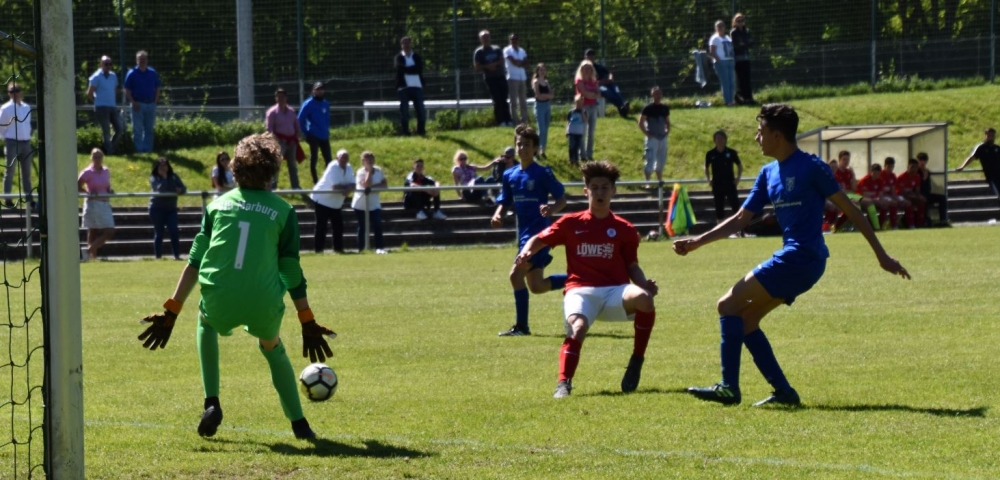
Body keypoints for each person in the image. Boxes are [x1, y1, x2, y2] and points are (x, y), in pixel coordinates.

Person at [672, 104, 909, 407]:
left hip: (802, 257)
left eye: (761, 132)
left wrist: (882, 256)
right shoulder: (768, 173)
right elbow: (741, 219)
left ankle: (728, 387)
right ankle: (784, 392)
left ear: (777, 136)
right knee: (746, 320)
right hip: (799, 260)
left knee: (726, 305)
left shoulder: (812, 167)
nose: (756, 137)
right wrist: (697, 242)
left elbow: (852, 210)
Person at [136, 133, 335, 441]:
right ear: (272, 171)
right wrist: (306, 318)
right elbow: (290, 270)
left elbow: (194, 262)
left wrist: (172, 311)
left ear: (235, 169)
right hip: (262, 302)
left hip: (220, 298)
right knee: (272, 347)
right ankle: (300, 425)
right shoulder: (284, 211)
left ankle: (212, 402)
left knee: (205, 323)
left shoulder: (216, 206)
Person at [515, 160, 657, 398]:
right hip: (580, 291)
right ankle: (564, 383)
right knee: (578, 327)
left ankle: (637, 360)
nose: (599, 193)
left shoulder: (625, 229)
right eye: (594, 188)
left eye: (604, 187)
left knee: (645, 299)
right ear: (586, 191)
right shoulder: (571, 223)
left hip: (614, 291)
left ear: (613, 191)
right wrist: (526, 252)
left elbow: (632, 266)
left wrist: (644, 285)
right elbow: (539, 238)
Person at [491, 124, 567, 337]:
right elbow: (505, 200)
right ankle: (578, 278)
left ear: (535, 148)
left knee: (515, 276)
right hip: (523, 234)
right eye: (519, 144)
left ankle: (522, 327)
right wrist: (498, 214)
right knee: (537, 286)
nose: (522, 148)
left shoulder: (542, 173)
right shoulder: (510, 174)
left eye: (527, 145)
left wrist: (551, 209)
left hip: (539, 235)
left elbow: (562, 199)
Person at [311, 149, 354, 253]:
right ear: (337, 158)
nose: (344, 159)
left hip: (336, 203)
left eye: (346, 157)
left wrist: (348, 189)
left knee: (338, 227)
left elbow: (354, 184)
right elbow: (335, 186)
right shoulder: (333, 167)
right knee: (321, 227)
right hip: (322, 200)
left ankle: (338, 250)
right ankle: (318, 251)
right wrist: (348, 188)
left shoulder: (349, 168)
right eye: (342, 157)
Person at [77, 148, 115, 260]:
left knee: (110, 231)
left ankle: (88, 250)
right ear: (91, 158)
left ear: (102, 158)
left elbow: (106, 186)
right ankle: (92, 257)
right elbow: (77, 186)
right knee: (93, 230)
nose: (97, 159)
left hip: (105, 203)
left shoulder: (106, 171)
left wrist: (110, 191)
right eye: (95, 157)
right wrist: (88, 193)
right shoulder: (87, 172)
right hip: (93, 203)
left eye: (99, 157)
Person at [1, 82, 33, 208]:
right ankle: (8, 199)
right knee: (10, 171)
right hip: (12, 142)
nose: (15, 93)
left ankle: (29, 200)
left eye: (17, 90)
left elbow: (27, 124)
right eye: (12, 91)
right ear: (9, 94)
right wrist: (5, 138)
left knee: (27, 173)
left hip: (26, 142)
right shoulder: (6, 108)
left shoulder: (26, 107)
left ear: (21, 92)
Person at [148, 157, 187, 260]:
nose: (163, 168)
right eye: (160, 166)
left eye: (165, 165)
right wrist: (164, 178)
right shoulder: (153, 178)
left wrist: (180, 190)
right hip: (157, 209)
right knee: (159, 233)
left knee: (174, 230)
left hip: (171, 209)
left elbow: (184, 188)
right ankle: (158, 257)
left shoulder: (174, 176)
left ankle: (176, 255)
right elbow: (160, 189)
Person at [265, 88, 303, 190]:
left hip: (292, 141)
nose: (281, 99)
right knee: (276, 164)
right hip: (279, 142)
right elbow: (269, 129)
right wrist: (276, 140)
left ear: (286, 98)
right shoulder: (272, 112)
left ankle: (295, 186)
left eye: (283, 97)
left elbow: (296, 125)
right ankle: (273, 187)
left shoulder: (291, 111)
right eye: (278, 97)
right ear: (276, 98)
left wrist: (297, 135)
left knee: (292, 165)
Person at [123, 50, 161, 153]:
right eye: (140, 59)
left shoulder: (152, 73)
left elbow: (157, 87)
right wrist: (133, 102)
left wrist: (155, 101)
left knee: (149, 129)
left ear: (147, 60)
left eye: (144, 59)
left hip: (150, 104)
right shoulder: (132, 73)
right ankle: (139, 150)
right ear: (136, 60)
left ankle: (148, 150)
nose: (142, 61)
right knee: (138, 129)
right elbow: (126, 89)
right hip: (137, 104)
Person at [473, 30, 512, 127]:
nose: (486, 39)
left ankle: (508, 119)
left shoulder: (496, 49)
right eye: (484, 37)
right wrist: (487, 67)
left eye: (487, 37)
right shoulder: (479, 52)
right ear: (480, 39)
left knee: (504, 98)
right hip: (490, 79)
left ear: (490, 38)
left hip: (501, 76)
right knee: (497, 99)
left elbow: (502, 61)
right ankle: (501, 121)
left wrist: (494, 64)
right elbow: (477, 66)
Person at [86, 56, 124, 155]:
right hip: (101, 107)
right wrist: (97, 101)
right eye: (106, 64)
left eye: (110, 64)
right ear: (101, 64)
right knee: (106, 130)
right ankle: (110, 151)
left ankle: (109, 147)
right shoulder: (96, 76)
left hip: (112, 106)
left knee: (119, 128)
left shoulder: (113, 76)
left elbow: (114, 90)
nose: (108, 66)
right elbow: (89, 93)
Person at [352, 151, 388, 254]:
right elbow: (366, 184)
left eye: (371, 158)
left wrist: (372, 187)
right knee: (362, 226)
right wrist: (368, 171)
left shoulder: (379, 170)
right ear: (363, 161)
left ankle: (379, 248)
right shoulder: (360, 172)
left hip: (374, 204)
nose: (370, 161)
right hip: (361, 204)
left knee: (377, 225)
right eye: (367, 159)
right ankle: (361, 249)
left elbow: (384, 185)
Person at [704, 130, 743, 223]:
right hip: (717, 184)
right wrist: (708, 180)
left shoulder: (731, 152)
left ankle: (740, 228)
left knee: (736, 207)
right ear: (714, 140)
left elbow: (739, 165)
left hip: (730, 183)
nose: (720, 141)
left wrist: (738, 178)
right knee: (719, 208)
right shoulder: (710, 153)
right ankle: (720, 228)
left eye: (722, 138)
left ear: (725, 140)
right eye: (717, 138)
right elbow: (706, 167)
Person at [297, 82, 331, 184]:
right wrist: (306, 133)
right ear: (313, 91)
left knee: (329, 159)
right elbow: (300, 119)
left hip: (324, 135)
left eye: (321, 89)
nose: (320, 91)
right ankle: (315, 180)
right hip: (313, 134)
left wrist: (327, 130)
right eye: (317, 89)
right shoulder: (308, 104)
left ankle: (327, 181)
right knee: (314, 157)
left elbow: (326, 119)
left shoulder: (325, 103)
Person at [957, 127, 1000, 207]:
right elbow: (971, 157)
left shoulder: (997, 148)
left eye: (992, 136)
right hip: (992, 177)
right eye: (989, 136)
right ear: (985, 136)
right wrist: (962, 166)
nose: (991, 138)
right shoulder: (981, 147)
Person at [637, 86, 671, 184]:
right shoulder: (648, 108)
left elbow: (667, 121)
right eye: (656, 94)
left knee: (661, 161)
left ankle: (659, 182)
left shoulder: (664, 108)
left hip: (662, 138)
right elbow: (641, 122)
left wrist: (667, 131)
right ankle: (647, 183)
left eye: (659, 93)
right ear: (652, 95)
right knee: (650, 161)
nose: (658, 96)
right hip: (652, 139)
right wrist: (647, 134)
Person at [395, 36, 427, 136]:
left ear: (411, 44)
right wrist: (412, 69)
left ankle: (421, 131)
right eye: (404, 43)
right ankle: (405, 132)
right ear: (401, 45)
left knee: (420, 110)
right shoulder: (399, 57)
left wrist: (407, 70)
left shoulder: (416, 56)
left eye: (408, 43)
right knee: (404, 111)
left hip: (417, 86)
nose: (406, 45)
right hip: (403, 88)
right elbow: (400, 68)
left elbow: (419, 69)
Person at [584, 49, 629, 117]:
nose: (591, 56)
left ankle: (622, 107)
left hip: (608, 83)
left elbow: (609, 73)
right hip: (598, 86)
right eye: (589, 55)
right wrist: (600, 82)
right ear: (585, 57)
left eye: (592, 54)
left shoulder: (598, 66)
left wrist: (610, 78)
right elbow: (587, 81)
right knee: (607, 92)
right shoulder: (584, 68)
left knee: (616, 90)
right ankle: (622, 106)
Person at [575, 61, 600, 161]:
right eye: (585, 68)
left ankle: (589, 154)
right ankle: (582, 154)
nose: (587, 70)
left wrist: (592, 95)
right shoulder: (579, 81)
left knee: (591, 132)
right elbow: (585, 93)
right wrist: (593, 95)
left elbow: (599, 94)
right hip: (583, 107)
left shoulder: (594, 81)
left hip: (593, 107)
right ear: (581, 69)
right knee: (583, 131)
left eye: (589, 68)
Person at [708, 21, 737, 107]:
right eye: (718, 26)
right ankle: (728, 101)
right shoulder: (714, 38)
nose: (720, 28)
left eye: (721, 26)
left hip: (730, 60)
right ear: (715, 28)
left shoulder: (727, 37)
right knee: (725, 82)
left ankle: (732, 100)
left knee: (732, 81)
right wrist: (718, 60)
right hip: (721, 62)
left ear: (724, 27)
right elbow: (712, 51)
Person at [503, 33, 530, 126]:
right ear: (509, 40)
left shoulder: (522, 50)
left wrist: (520, 63)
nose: (514, 41)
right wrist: (522, 63)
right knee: (513, 100)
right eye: (512, 39)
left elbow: (527, 63)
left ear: (518, 40)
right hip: (513, 77)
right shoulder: (507, 50)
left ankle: (524, 120)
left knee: (523, 100)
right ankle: (515, 120)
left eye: (516, 39)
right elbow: (514, 62)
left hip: (522, 77)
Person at [916, 152, 948, 226]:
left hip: (927, 194)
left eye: (924, 160)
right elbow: (917, 186)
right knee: (924, 201)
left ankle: (943, 220)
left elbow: (928, 185)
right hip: (918, 195)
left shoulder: (927, 171)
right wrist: (923, 179)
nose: (923, 162)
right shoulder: (916, 172)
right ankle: (924, 221)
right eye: (921, 160)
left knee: (942, 198)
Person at [730, 13, 755, 105]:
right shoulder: (734, 32)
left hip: (746, 57)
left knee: (747, 78)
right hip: (738, 58)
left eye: (742, 20)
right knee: (741, 79)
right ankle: (742, 98)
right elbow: (736, 45)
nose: (740, 23)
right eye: (738, 21)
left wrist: (744, 44)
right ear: (735, 22)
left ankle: (749, 97)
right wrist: (745, 44)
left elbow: (751, 42)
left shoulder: (746, 31)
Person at [531, 64, 554, 158]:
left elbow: (552, 95)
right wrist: (547, 95)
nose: (542, 72)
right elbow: (538, 95)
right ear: (537, 71)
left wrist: (545, 95)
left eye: (544, 70)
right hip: (539, 106)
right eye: (541, 70)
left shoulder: (546, 82)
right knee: (541, 130)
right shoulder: (536, 82)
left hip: (547, 106)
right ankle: (536, 151)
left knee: (546, 129)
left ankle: (543, 150)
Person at [857, 163, 889, 229]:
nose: (877, 175)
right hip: (861, 200)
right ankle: (871, 227)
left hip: (874, 200)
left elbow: (880, 194)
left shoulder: (879, 180)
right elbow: (864, 194)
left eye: (879, 174)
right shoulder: (865, 180)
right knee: (870, 205)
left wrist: (882, 201)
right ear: (872, 172)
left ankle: (880, 225)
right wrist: (875, 197)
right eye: (875, 173)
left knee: (885, 205)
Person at [896, 158, 926, 228]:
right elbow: (901, 192)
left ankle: (920, 224)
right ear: (908, 167)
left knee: (922, 202)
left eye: (916, 167)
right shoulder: (901, 177)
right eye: (912, 167)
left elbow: (917, 190)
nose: (914, 169)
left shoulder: (917, 177)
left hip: (911, 195)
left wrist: (919, 197)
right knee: (908, 203)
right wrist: (912, 197)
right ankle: (911, 225)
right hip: (900, 196)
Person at [879, 157, 904, 229]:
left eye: (892, 167)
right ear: (885, 166)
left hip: (889, 196)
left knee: (905, 202)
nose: (890, 169)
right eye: (889, 167)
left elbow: (893, 191)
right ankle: (881, 225)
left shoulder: (892, 176)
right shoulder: (880, 175)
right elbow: (880, 191)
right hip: (881, 196)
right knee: (891, 203)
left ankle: (897, 225)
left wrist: (895, 198)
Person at [566, 95, 586, 165]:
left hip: (579, 132)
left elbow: (585, 120)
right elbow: (568, 122)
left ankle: (576, 160)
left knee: (577, 147)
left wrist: (582, 112)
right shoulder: (571, 112)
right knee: (572, 146)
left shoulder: (583, 112)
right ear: (575, 103)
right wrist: (567, 131)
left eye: (581, 103)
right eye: (578, 103)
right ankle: (572, 159)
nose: (579, 105)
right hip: (572, 132)